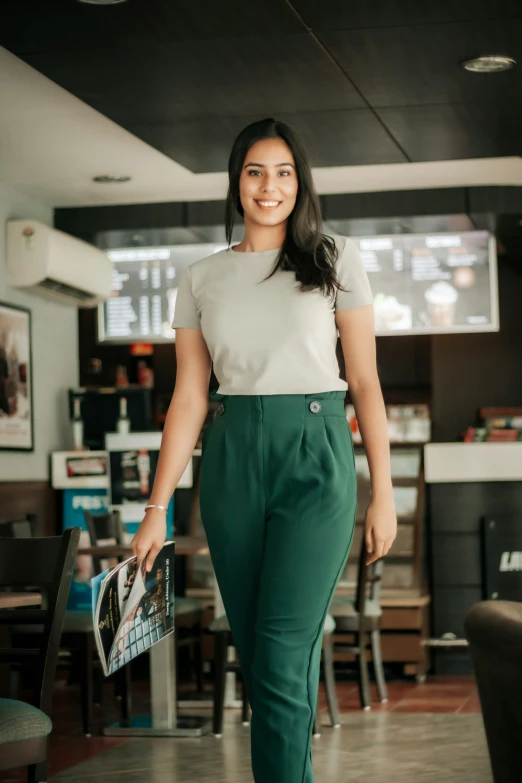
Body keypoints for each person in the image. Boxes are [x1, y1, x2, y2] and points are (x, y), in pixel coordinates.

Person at [132, 118, 397, 783]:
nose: (269, 185)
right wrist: (156, 506)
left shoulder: (335, 258)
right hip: (230, 460)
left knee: (280, 652)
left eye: (283, 172)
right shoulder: (201, 277)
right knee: (263, 654)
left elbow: (365, 382)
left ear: (300, 182)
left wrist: (384, 493)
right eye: (255, 171)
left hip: (316, 454)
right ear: (236, 181)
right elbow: (190, 396)